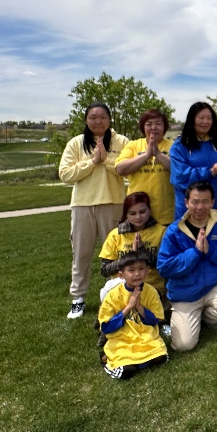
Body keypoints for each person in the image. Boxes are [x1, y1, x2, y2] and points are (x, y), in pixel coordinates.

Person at [59, 102, 129, 319]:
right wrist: (92, 162)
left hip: (113, 203)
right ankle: (78, 298)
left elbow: (128, 170)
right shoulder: (76, 143)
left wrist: (106, 160)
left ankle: (116, 294)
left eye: (102, 117)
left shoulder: (122, 142)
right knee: (81, 253)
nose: (98, 121)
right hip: (83, 205)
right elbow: (65, 174)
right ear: (86, 120)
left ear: (109, 119)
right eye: (93, 117)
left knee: (116, 254)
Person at [157, 181, 217, 352]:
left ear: (212, 202)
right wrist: (195, 252)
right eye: (195, 202)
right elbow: (164, 267)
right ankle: (194, 317)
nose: (200, 207)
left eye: (205, 201)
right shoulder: (174, 231)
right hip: (185, 293)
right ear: (186, 202)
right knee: (183, 345)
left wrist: (211, 251)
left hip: (214, 286)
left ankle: (209, 318)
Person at [98, 250, 169, 379]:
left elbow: (155, 320)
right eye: (131, 270)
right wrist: (129, 307)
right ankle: (109, 360)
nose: (137, 274)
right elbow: (106, 327)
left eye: (141, 269)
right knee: (125, 371)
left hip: (145, 337)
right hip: (122, 340)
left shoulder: (151, 292)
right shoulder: (113, 295)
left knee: (161, 357)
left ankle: (138, 362)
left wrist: (139, 307)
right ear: (121, 275)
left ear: (147, 271)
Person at [169, 102, 217, 221]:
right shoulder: (180, 146)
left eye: (209, 118)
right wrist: (210, 172)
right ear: (192, 120)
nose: (205, 122)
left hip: (216, 206)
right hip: (190, 208)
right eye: (201, 118)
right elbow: (180, 176)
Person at [99, 192, 167, 299]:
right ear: (126, 214)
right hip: (122, 286)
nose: (138, 217)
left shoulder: (162, 232)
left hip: (152, 287)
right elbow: (104, 270)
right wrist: (129, 257)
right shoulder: (116, 235)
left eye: (142, 212)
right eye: (132, 213)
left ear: (149, 210)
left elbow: (165, 265)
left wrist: (142, 252)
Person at [115, 109, 174, 226]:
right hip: (137, 213)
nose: (153, 127)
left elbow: (179, 170)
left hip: (166, 214)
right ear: (143, 127)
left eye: (158, 124)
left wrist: (158, 154)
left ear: (164, 127)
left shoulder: (173, 146)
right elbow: (120, 169)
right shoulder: (133, 145)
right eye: (149, 124)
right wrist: (147, 155)